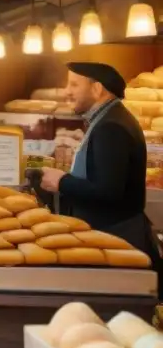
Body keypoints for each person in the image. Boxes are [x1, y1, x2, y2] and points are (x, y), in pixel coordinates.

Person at [39, 63, 159, 265]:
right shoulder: (110, 118)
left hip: (118, 239)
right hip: (112, 236)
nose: (67, 92)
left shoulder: (111, 127)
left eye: (74, 85)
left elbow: (108, 191)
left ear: (97, 89)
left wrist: (62, 181)